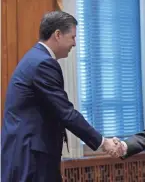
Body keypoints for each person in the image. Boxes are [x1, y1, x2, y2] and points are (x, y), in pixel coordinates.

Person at [1, 11, 120, 182]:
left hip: (26, 154)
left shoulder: (34, 58)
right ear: (57, 34)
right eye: (72, 37)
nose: (75, 43)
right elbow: (66, 112)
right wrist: (103, 142)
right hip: (32, 158)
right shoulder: (43, 63)